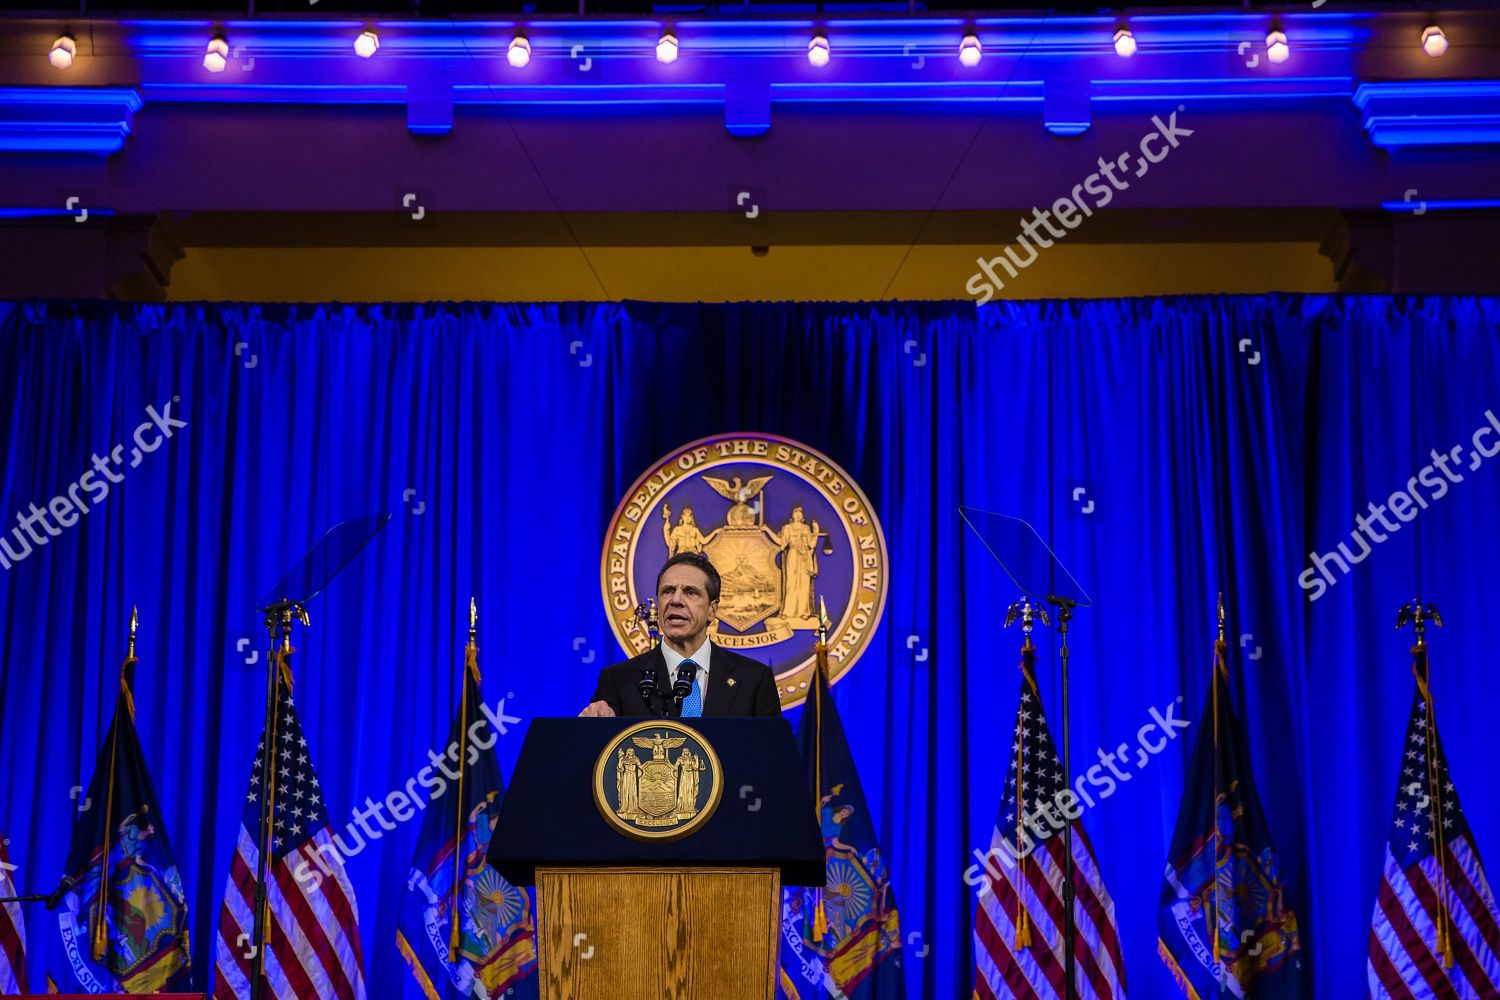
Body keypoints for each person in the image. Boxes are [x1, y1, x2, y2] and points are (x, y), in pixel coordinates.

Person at [580, 552, 782, 718]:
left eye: (690, 592)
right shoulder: (619, 680)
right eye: (667, 591)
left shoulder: (754, 680)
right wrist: (594, 725)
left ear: (712, 610)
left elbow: (771, 760)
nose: (676, 600)